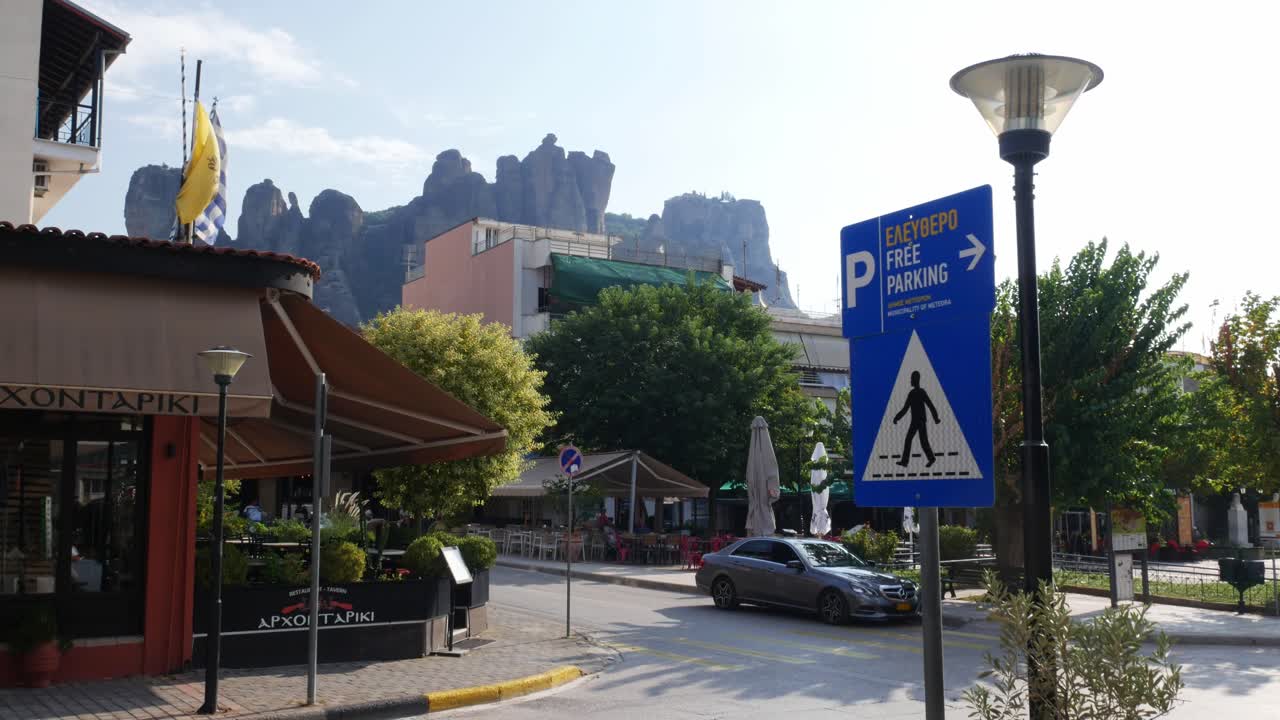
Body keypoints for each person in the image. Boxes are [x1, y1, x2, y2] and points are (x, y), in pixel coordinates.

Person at [893, 370, 941, 467]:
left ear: (915, 380)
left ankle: (907, 461)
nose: (910, 381)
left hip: (918, 421)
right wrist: (897, 417)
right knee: (920, 440)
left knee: (915, 440)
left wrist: (936, 418)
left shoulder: (916, 393)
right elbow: (906, 408)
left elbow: (929, 405)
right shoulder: (916, 393)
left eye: (911, 379)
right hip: (918, 421)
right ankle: (929, 458)